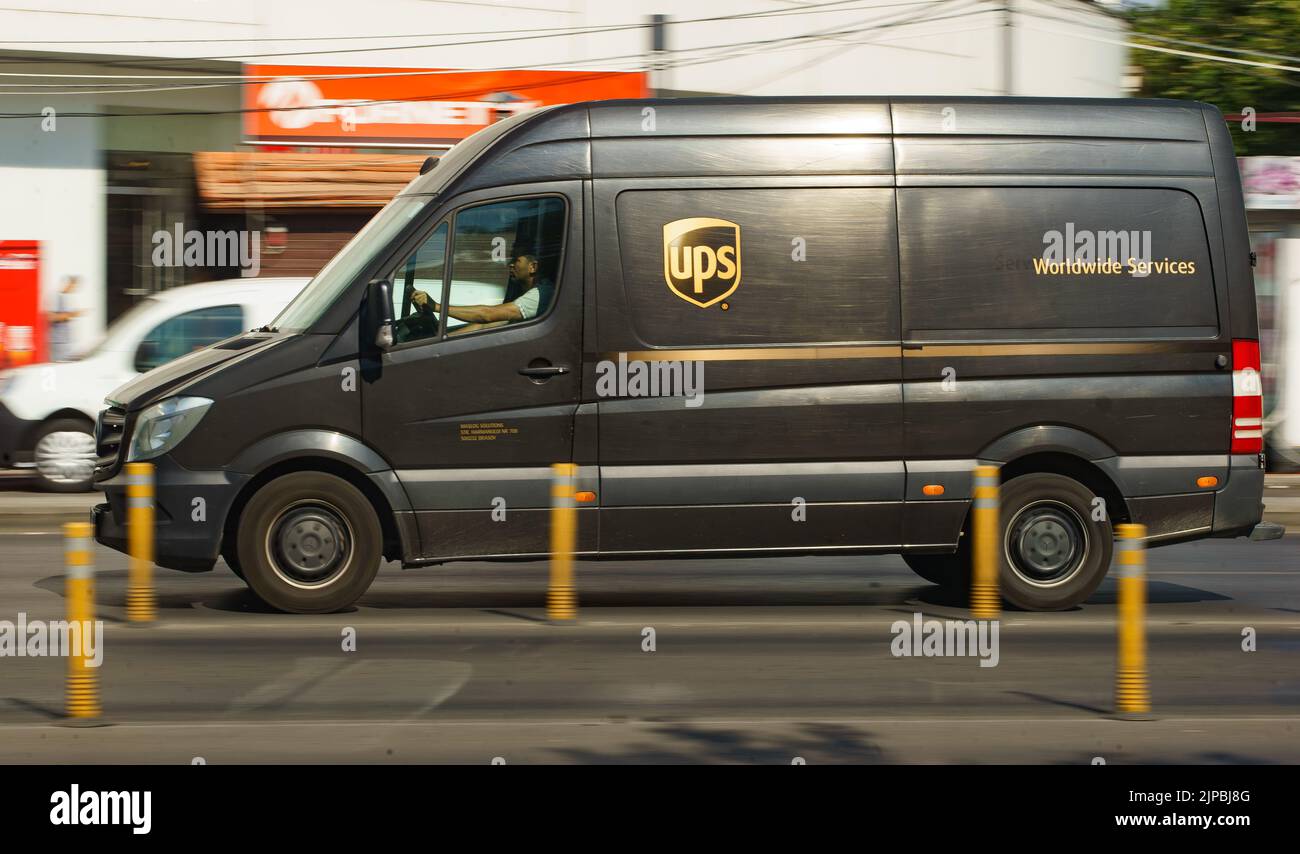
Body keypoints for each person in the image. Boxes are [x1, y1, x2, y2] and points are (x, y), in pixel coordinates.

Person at [411, 252, 554, 336]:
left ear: (532, 267)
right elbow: (485, 325)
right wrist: (443, 337)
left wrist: (436, 306)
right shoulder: (523, 292)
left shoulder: (541, 295)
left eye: (516, 260)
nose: (510, 265)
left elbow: (487, 314)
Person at [47, 276, 84, 362]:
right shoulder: (56, 297)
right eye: (72, 286)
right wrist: (73, 314)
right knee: (60, 366)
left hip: (64, 341)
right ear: (66, 284)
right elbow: (51, 317)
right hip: (58, 342)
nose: (74, 289)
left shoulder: (64, 297)